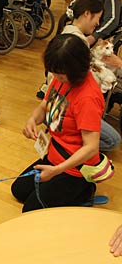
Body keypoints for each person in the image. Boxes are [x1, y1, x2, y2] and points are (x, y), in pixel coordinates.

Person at [11, 34, 104, 212]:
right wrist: (32, 119)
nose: (55, 78)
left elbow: (91, 147)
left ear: (75, 71)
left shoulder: (88, 98)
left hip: (73, 168)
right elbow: (45, 104)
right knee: (18, 190)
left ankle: (84, 190)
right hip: (54, 153)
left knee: (30, 210)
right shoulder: (62, 77)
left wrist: (57, 170)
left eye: (59, 75)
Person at [44, 0, 121, 152]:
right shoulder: (77, 44)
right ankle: (68, 134)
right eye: (97, 18)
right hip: (69, 104)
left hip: (60, 104)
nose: (98, 23)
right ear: (87, 14)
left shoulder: (70, 36)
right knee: (113, 141)